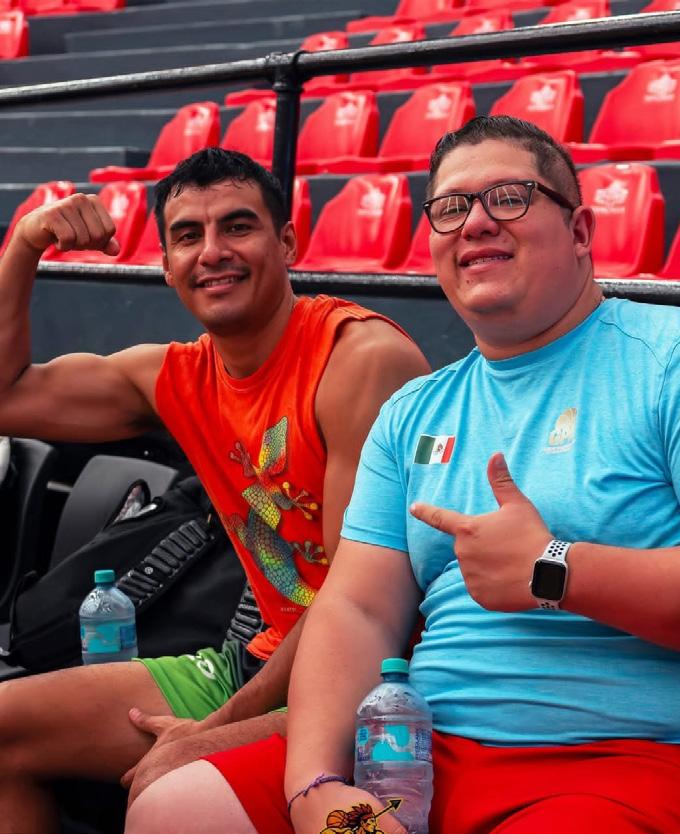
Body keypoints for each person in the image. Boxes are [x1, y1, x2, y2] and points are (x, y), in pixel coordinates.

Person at [124, 116, 680, 834]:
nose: (474, 222)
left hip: (641, 758)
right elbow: (356, 611)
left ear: (579, 231)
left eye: (508, 198)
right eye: (450, 208)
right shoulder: (413, 411)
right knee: (176, 808)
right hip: (420, 755)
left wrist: (555, 568)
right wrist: (316, 783)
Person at [0, 147, 429, 834]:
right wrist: (25, 244)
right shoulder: (175, 378)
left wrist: (216, 730)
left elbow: (360, 602)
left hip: (372, 686)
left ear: (287, 242)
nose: (212, 252)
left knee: (170, 791)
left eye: (237, 226)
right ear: (166, 265)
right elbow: (6, 396)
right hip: (258, 664)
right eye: (187, 236)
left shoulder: (359, 361)